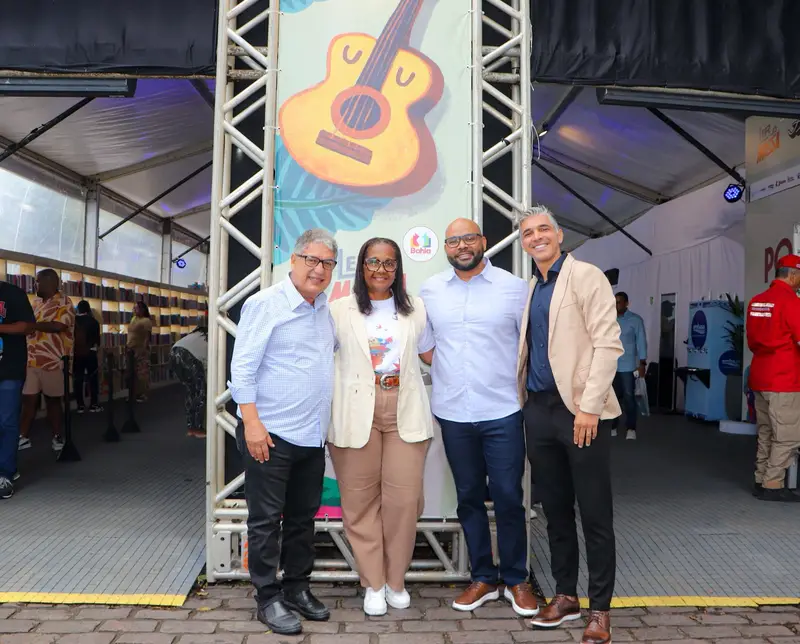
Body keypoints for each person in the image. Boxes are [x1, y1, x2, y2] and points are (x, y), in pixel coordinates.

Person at [420, 218, 541, 617]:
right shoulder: (431, 290)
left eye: (468, 238)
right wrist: (452, 370)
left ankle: (516, 579)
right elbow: (425, 346)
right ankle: (484, 578)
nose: (461, 246)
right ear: (446, 248)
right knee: (469, 497)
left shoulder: (513, 288)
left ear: (483, 242)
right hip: (453, 412)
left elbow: (530, 343)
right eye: (453, 240)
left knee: (508, 496)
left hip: (502, 410)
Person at [516, 206, 622, 644]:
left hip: (580, 412)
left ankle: (600, 609)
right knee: (555, 510)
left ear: (559, 234)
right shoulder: (532, 287)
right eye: (528, 233)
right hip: (538, 411)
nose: (536, 237)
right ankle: (565, 595)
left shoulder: (585, 276)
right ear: (523, 243)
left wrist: (590, 407)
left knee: (595, 512)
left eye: (543, 229)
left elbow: (607, 343)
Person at [229, 228, 337, 635]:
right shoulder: (265, 304)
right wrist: (252, 424)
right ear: (293, 260)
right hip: (269, 434)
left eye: (327, 263)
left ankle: (297, 588)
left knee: (302, 519)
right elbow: (241, 369)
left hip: (311, 434)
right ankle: (267, 597)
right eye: (311, 259)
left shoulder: (326, 308)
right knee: (265, 519)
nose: (318, 269)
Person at [328, 237, 435, 616]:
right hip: (354, 410)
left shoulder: (416, 310)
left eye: (389, 263)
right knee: (359, 503)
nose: (381, 269)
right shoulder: (338, 309)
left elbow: (432, 355)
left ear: (398, 269)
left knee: (404, 501)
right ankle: (373, 583)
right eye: (373, 262)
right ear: (361, 266)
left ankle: (396, 580)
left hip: (404, 408)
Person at [746, 253, 800, 503]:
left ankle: (760, 479)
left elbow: (752, 340)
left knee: (766, 431)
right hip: (784, 378)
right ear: (792, 275)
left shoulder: (757, 301)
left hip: (760, 375)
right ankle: (773, 483)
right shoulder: (790, 301)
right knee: (787, 434)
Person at [18, 269, 75, 453]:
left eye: (37, 281)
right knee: (28, 400)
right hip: (32, 360)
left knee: (52, 401)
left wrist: (32, 326)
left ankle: (57, 435)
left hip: (53, 361)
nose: (35, 285)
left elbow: (59, 326)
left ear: (49, 282)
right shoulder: (34, 304)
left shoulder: (64, 302)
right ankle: (23, 436)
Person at [0, 280, 35, 498]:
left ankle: (5, 473)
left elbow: (28, 326)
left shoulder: (12, 293)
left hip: (9, 369)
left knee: (7, 421)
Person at [612, 292, 647, 440]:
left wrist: (642, 363)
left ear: (627, 303)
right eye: (615, 302)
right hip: (611, 366)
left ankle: (631, 428)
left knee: (628, 398)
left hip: (627, 366)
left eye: (619, 302)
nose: (616, 305)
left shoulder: (635, 320)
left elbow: (641, 342)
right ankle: (612, 426)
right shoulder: (608, 319)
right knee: (611, 398)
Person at [170, 325, 208, 438]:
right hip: (190, 357)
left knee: (191, 391)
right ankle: (198, 428)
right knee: (200, 393)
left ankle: (191, 427)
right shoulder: (211, 339)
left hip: (174, 352)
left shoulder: (197, 335)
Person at [73, 300, 102, 414]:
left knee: (78, 379)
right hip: (90, 353)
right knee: (93, 379)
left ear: (78, 309)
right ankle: (93, 404)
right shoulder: (94, 322)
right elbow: (97, 341)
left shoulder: (73, 321)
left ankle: (80, 405)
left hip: (77, 353)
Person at [127, 301, 153, 402]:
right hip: (130, 348)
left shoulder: (146, 321)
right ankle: (132, 393)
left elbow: (147, 337)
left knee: (141, 373)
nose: (134, 310)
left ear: (142, 309)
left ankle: (141, 394)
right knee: (130, 373)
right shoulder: (133, 319)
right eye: (134, 308)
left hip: (140, 349)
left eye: (136, 308)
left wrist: (142, 350)